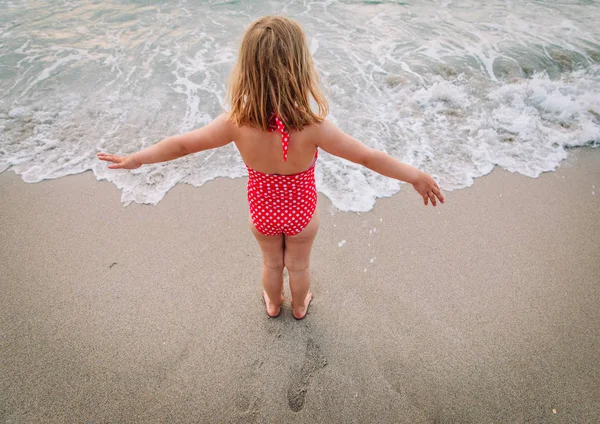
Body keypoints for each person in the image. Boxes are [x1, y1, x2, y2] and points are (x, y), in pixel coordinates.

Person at [98, 16, 444, 320]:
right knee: (299, 265)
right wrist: (415, 175)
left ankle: (273, 305)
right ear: (300, 67)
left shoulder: (236, 121)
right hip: (302, 214)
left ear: (247, 68)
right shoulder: (314, 126)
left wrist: (138, 158)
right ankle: (299, 306)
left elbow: (184, 144)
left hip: (262, 212)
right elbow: (368, 157)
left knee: (271, 264)